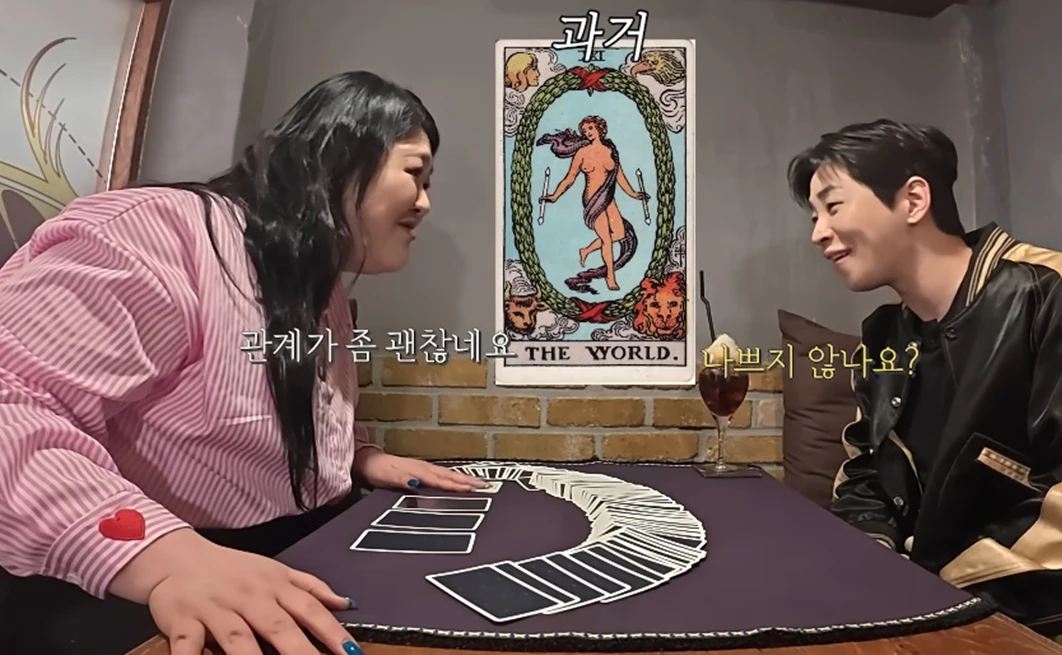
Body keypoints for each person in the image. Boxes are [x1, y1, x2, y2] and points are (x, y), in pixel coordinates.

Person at [0, 71, 485, 655]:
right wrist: (166, 557)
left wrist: (357, 458)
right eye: (415, 173)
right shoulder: (156, 232)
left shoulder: (318, 284)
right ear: (339, 155)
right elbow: (13, 406)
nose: (425, 203)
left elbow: (285, 419)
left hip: (283, 546)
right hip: (123, 579)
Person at [787, 119, 1062, 655]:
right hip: (920, 589)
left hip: (1047, 599)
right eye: (814, 216)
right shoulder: (884, 334)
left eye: (833, 207)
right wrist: (869, 556)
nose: (818, 232)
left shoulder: (1061, 290)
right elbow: (867, 470)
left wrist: (935, 592)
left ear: (913, 200)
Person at [538, 115, 649, 292]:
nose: (588, 132)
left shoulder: (611, 151)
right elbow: (569, 178)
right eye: (584, 130)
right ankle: (610, 277)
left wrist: (634, 194)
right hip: (592, 199)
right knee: (606, 239)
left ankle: (586, 250)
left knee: (619, 233)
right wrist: (555, 196)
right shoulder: (582, 153)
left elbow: (620, 177)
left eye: (590, 128)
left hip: (608, 197)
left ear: (600, 129)